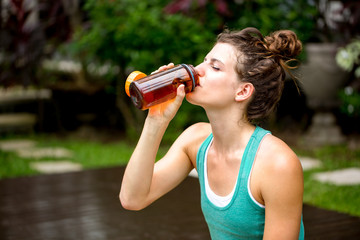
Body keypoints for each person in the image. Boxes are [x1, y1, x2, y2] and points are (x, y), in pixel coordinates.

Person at [120, 27, 304, 239]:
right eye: (204, 61)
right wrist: (156, 120)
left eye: (215, 67)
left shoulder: (277, 164)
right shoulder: (195, 140)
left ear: (242, 91)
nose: (198, 70)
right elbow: (132, 199)